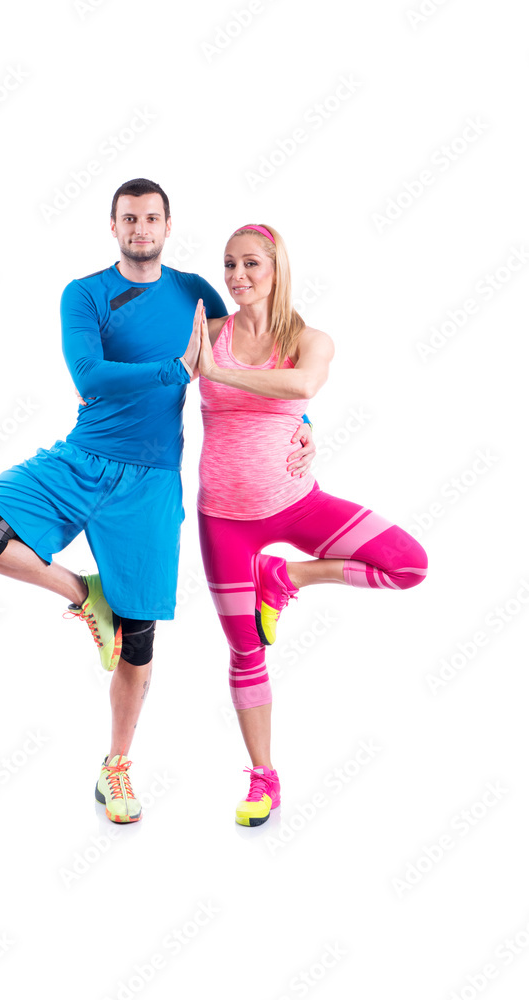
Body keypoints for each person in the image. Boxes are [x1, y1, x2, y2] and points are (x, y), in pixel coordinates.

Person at [0, 181, 315, 825]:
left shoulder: (196, 292)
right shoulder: (84, 293)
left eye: (151, 218)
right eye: (129, 218)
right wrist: (176, 368)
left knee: (137, 639)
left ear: (169, 224)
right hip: (79, 460)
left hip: (151, 480)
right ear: (112, 225)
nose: (140, 228)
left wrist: (303, 424)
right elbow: (89, 376)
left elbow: (257, 351)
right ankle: (84, 593)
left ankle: (115, 768)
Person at [194, 223, 428, 827]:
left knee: (408, 565)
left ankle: (286, 575)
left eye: (251, 264)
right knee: (245, 649)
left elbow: (303, 385)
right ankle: (263, 776)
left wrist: (221, 377)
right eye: (229, 265)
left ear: (277, 270)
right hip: (223, 517)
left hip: (297, 502)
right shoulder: (207, 332)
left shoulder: (310, 339)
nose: (238, 276)